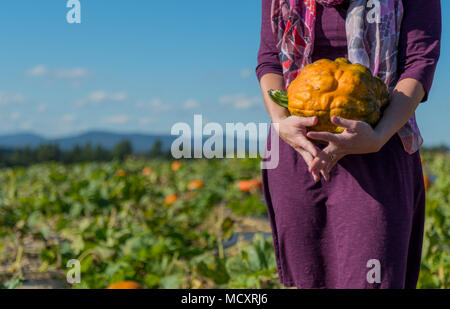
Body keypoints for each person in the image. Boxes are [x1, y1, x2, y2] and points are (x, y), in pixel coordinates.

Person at [255, 0, 441, 289]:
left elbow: (419, 62)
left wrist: (379, 135)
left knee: (374, 280)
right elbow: (269, 60)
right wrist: (280, 121)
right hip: (299, 149)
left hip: (377, 148)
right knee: (310, 279)